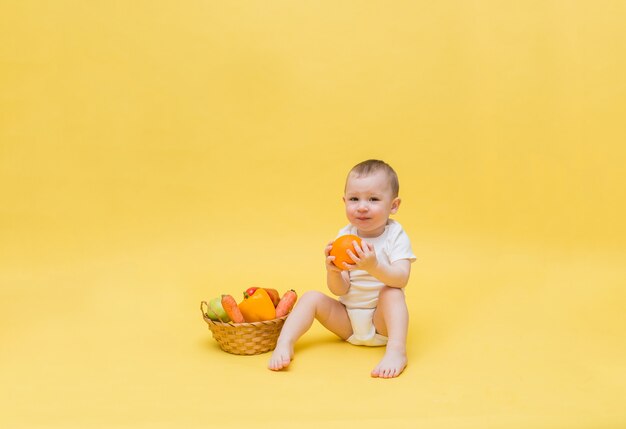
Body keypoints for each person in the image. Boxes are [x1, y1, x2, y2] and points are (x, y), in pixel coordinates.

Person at [269, 159, 416, 378]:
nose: (362, 206)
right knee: (311, 297)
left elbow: (401, 278)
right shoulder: (344, 236)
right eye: (354, 199)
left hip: (381, 324)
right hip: (347, 323)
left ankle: (396, 351)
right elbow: (340, 291)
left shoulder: (395, 236)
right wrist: (333, 272)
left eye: (373, 199)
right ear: (344, 200)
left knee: (391, 292)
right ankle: (285, 342)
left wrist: (373, 266)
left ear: (393, 205)